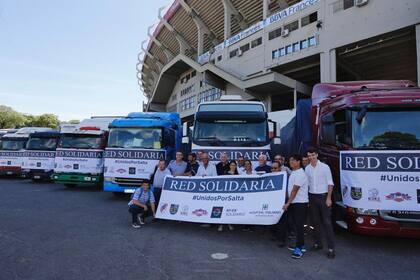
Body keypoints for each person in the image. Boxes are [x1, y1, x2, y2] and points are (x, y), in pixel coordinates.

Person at [305, 147, 335, 259]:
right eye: (309, 156)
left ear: (316, 155)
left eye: (313, 155)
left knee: (327, 223)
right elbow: (307, 185)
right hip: (312, 197)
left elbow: (330, 183)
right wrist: (307, 199)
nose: (311, 157)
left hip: (323, 197)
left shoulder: (325, 167)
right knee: (315, 222)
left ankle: (331, 249)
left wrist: (329, 198)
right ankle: (318, 244)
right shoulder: (307, 168)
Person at [283, 154, 309, 259]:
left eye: (293, 160)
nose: (291, 162)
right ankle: (301, 245)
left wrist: (288, 203)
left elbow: (295, 190)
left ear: (299, 162)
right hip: (295, 203)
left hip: (300, 203)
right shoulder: (294, 172)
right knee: (296, 225)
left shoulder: (301, 174)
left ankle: (298, 249)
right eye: (290, 160)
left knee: (299, 226)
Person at [270, 161, 288, 244]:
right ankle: (274, 235)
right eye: (272, 168)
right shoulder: (268, 177)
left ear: (279, 169)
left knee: (282, 221)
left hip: (282, 202)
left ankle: (282, 240)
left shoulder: (284, 178)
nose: (273, 169)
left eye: (275, 168)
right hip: (272, 202)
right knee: (273, 219)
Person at [217, 161, 237, 232]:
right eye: (232, 165)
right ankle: (221, 224)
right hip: (226, 194)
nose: (233, 166)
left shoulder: (238, 174)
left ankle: (229, 224)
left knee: (230, 209)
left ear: (236, 166)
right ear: (230, 166)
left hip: (234, 195)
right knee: (223, 209)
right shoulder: (225, 173)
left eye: (234, 165)